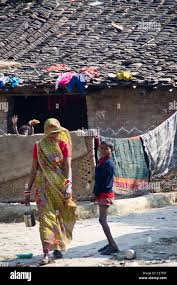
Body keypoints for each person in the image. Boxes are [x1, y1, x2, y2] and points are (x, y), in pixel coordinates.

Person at [25, 118, 77, 265]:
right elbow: (34, 169)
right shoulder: (39, 146)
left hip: (60, 187)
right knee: (45, 219)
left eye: (57, 132)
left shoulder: (63, 144)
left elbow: (68, 167)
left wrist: (68, 185)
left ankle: (58, 246)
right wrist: (27, 191)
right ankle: (46, 254)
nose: (54, 135)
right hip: (42, 188)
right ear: (46, 132)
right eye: (52, 133)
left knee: (60, 216)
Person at [91, 141, 119, 255]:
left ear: (111, 150)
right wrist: (95, 192)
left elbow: (104, 183)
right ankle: (110, 243)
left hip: (105, 194)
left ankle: (113, 245)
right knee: (102, 220)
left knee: (102, 220)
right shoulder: (102, 162)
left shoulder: (108, 163)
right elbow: (98, 180)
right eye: (101, 148)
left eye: (105, 148)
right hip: (101, 193)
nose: (102, 151)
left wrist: (96, 194)